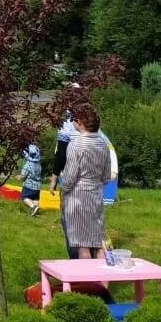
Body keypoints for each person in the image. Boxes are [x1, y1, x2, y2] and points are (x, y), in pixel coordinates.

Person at [58, 103, 111, 259]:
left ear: (80, 122)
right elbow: (107, 175)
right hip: (96, 196)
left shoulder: (75, 144)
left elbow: (69, 177)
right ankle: (103, 282)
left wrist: (64, 191)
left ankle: (87, 282)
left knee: (83, 245)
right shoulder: (104, 145)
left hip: (78, 198)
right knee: (98, 242)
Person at [19, 144, 42, 215]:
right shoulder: (39, 165)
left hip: (29, 185)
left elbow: (23, 176)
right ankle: (36, 211)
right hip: (37, 186)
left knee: (24, 197)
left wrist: (18, 177)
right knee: (35, 198)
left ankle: (33, 207)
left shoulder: (28, 164)